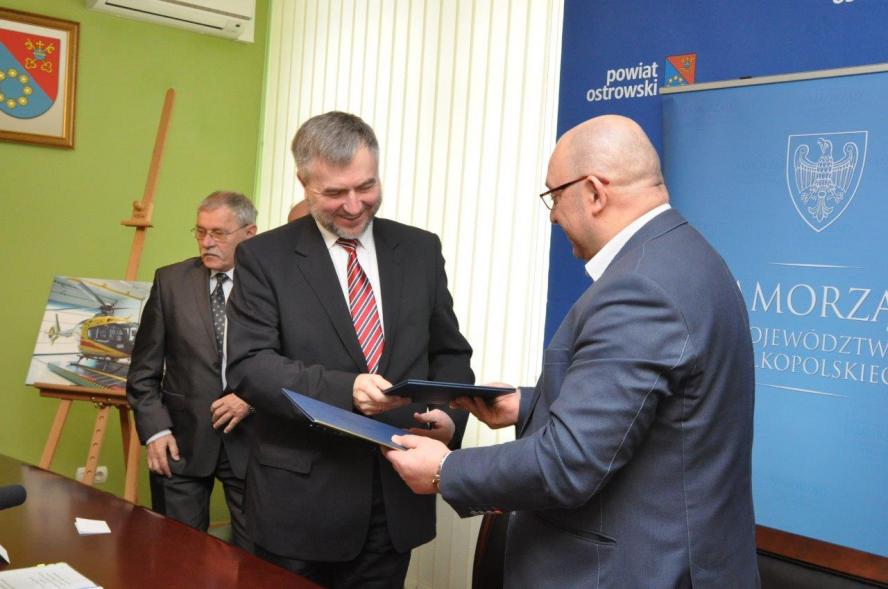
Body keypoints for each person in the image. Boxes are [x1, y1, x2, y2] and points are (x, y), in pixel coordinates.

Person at [385, 115, 760, 588]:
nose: (553, 215)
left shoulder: (640, 288)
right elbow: (658, 411)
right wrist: (527, 405)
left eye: (555, 196)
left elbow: (569, 462)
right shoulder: (688, 256)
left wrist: (445, 470)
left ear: (595, 192)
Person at [226, 111, 474, 588]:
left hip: (395, 498)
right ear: (304, 183)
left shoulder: (420, 249)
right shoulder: (264, 258)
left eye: (367, 186)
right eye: (335, 192)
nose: (355, 205)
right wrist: (348, 390)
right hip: (299, 507)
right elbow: (250, 367)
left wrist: (449, 419)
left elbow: (449, 353)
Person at [127, 191, 258, 550]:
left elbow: (288, 360)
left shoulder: (271, 286)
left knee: (258, 560)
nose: (206, 242)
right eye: (200, 232)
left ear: (249, 233)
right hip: (180, 443)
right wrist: (155, 430)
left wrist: (250, 398)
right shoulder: (171, 282)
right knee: (177, 555)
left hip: (252, 444)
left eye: (219, 233)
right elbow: (142, 371)